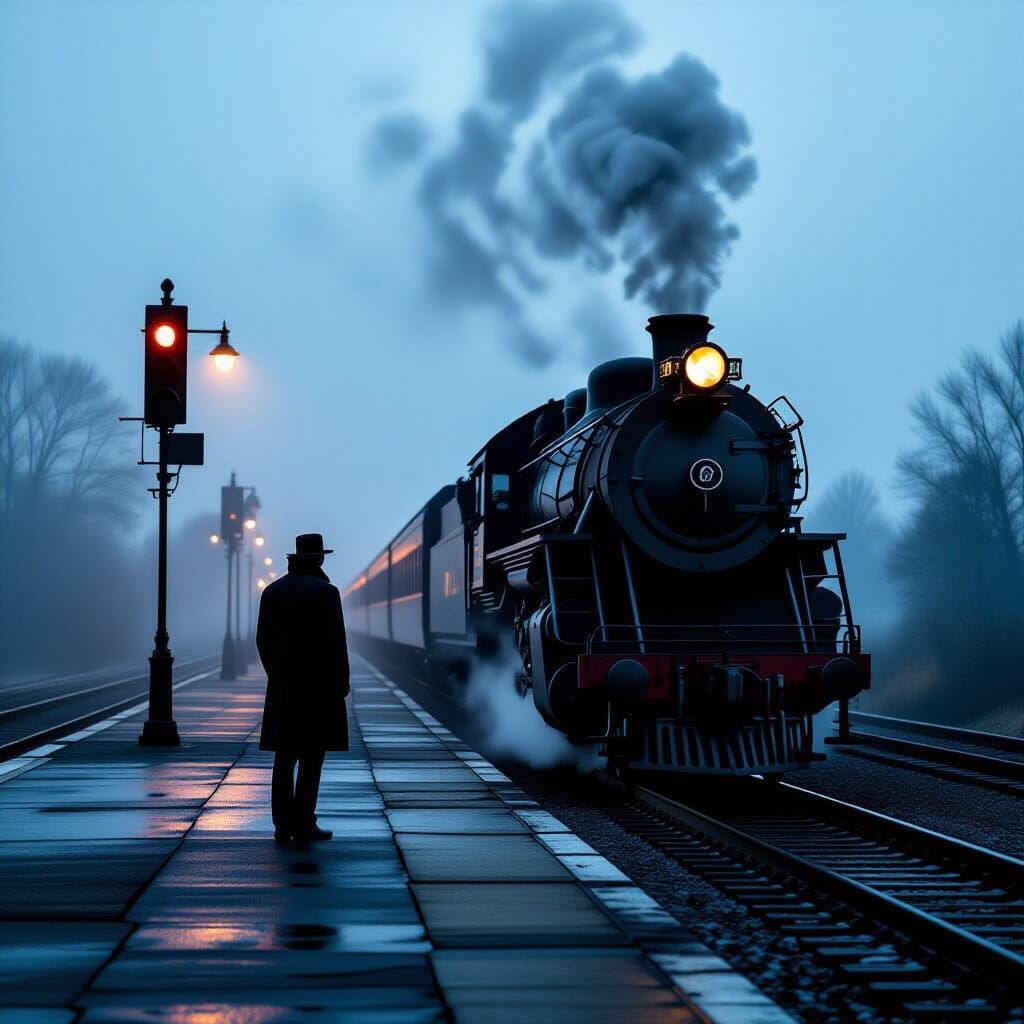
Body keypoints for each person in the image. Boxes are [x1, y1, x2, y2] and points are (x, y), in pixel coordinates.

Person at [256, 533, 350, 841]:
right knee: (312, 758)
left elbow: (261, 641)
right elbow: (337, 644)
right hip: (318, 690)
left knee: (284, 758)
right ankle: (305, 821)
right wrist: (341, 683)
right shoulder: (326, 593)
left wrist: (278, 674)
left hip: (284, 689)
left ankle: (282, 824)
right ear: (320, 558)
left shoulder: (271, 592)